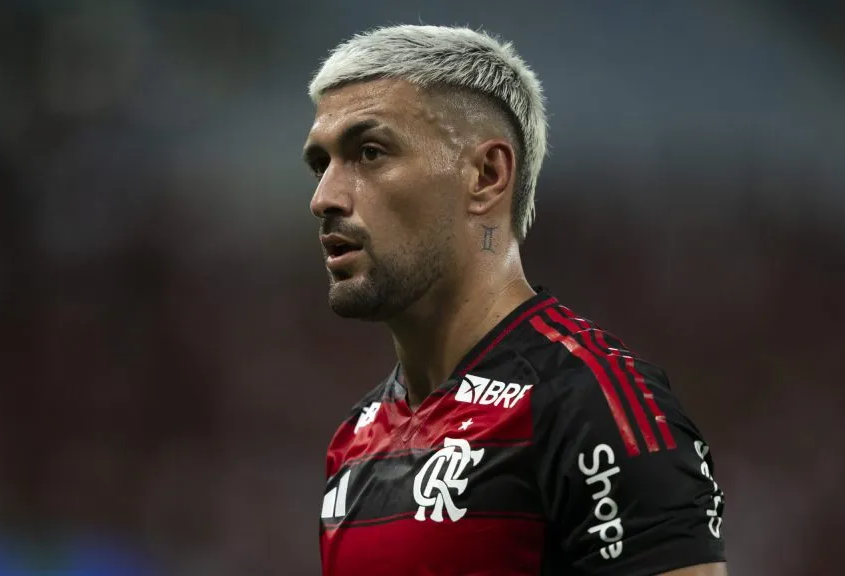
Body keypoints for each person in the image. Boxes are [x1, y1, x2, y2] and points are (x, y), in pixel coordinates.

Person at [305, 25, 727, 576]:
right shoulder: (354, 442)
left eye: (369, 153)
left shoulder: (592, 405)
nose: (324, 198)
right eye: (321, 165)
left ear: (487, 175)